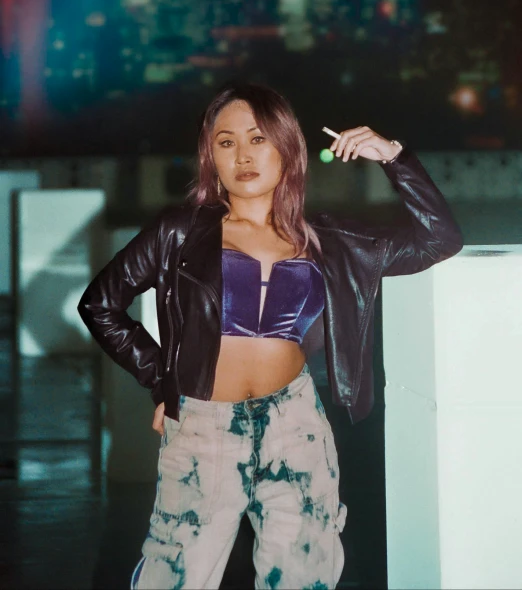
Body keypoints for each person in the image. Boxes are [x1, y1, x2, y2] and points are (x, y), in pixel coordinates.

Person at [78, 83, 463, 590]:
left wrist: (393, 157)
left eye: (258, 138)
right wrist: (163, 380)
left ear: (288, 146)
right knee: (175, 575)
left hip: (296, 424)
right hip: (204, 428)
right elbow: (100, 304)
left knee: (304, 575)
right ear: (210, 156)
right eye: (226, 142)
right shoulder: (179, 232)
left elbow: (440, 238)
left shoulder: (333, 242)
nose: (243, 155)